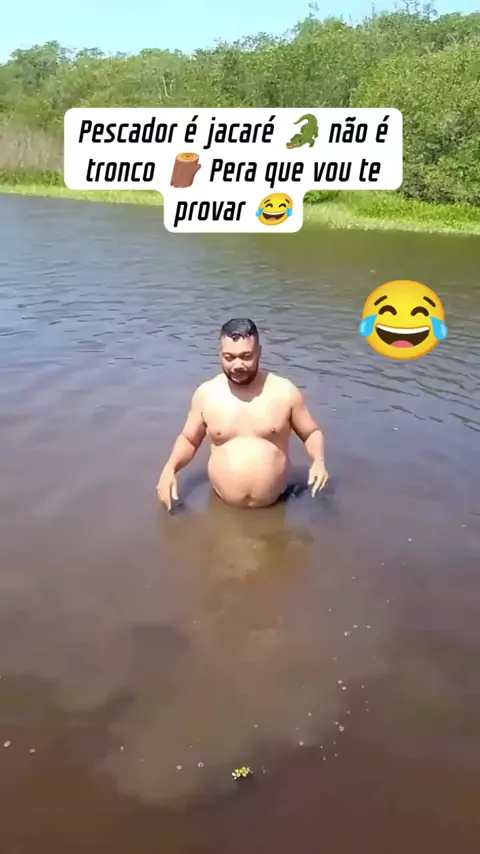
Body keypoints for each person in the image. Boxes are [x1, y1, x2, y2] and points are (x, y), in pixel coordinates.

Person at [156, 318, 329, 510]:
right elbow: (189, 439)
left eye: (246, 356)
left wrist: (318, 461)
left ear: (259, 352)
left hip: (277, 505)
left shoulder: (284, 391)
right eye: (229, 357)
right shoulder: (206, 394)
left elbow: (310, 433)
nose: (237, 365)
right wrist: (170, 468)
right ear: (220, 354)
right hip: (221, 509)